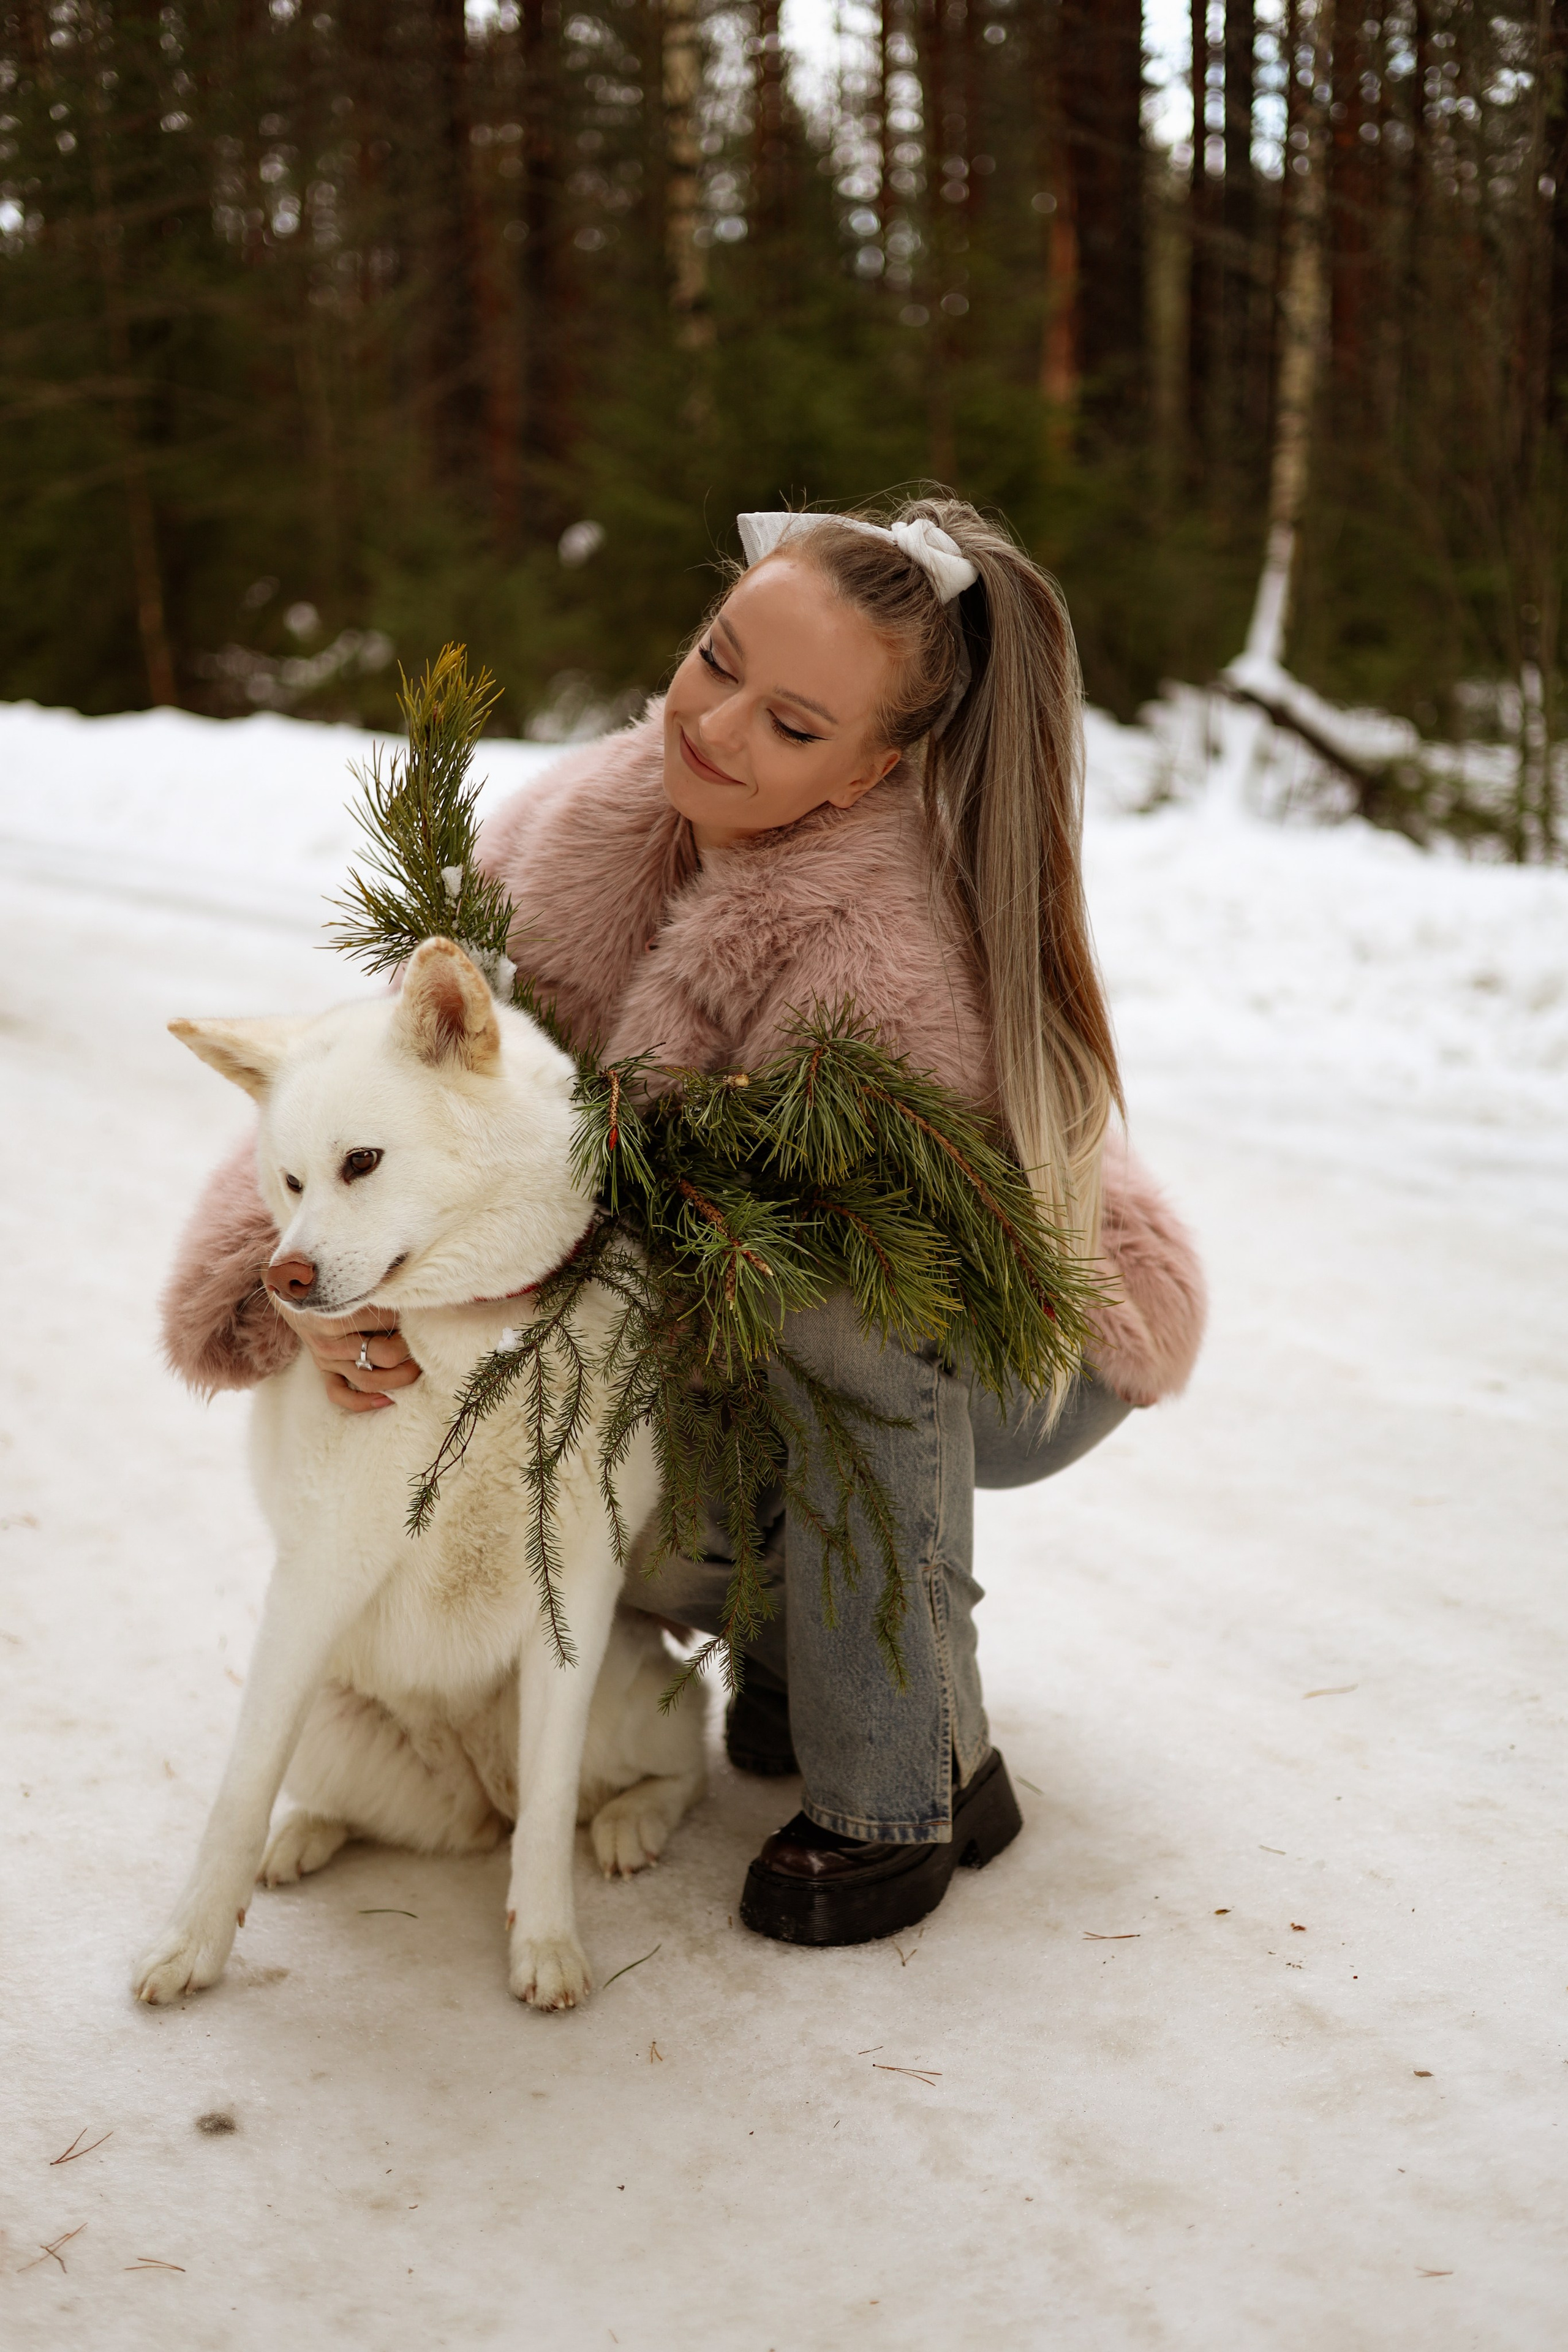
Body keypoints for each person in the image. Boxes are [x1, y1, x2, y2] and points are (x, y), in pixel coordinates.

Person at [162, 495, 1205, 1950]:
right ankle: (806, 1653)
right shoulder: (577, 821)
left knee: (777, 1349)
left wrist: (442, 1286)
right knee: (586, 1476)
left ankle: (910, 1784)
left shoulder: (880, 935)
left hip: (1008, 1332)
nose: (713, 726)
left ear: (872, 769)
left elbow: (773, 1263)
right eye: (716, 660)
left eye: (791, 724)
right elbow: (384, 1081)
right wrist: (302, 1295)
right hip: (764, 1312)